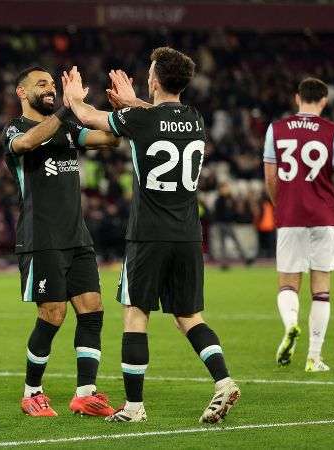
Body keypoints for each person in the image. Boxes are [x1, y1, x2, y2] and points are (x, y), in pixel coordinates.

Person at [64, 47, 239, 424]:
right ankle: (223, 380)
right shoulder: (195, 119)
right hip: (188, 234)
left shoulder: (140, 120)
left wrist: (76, 100)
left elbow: (90, 118)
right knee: (189, 316)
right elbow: (162, 118)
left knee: (135, 314)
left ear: (154, 80)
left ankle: (134, 407)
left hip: (148, 235)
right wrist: (135, 103)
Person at [3, 66, 119, 417]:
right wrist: (69, 109)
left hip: (76, 236)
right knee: (53, 314)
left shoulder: (67, 128)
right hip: (42, 238)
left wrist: (109, 113)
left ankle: (85, 393)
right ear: (22, 93)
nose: (49, 88)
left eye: (53, 84)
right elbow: (25, 144)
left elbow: (110, 140)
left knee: (92, 308)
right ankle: (31, 393)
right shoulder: (16, 129)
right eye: (41, 84)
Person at [263, 77, 334, 372]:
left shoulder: (275, 129)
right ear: (324, 101)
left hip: (290, 215)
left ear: (297, 98)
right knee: (321, 288)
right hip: (324, 216)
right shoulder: (333, 131)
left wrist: (281, 205)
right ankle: (314, 357)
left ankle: (291, 324)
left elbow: (270, 175)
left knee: (288, 283)